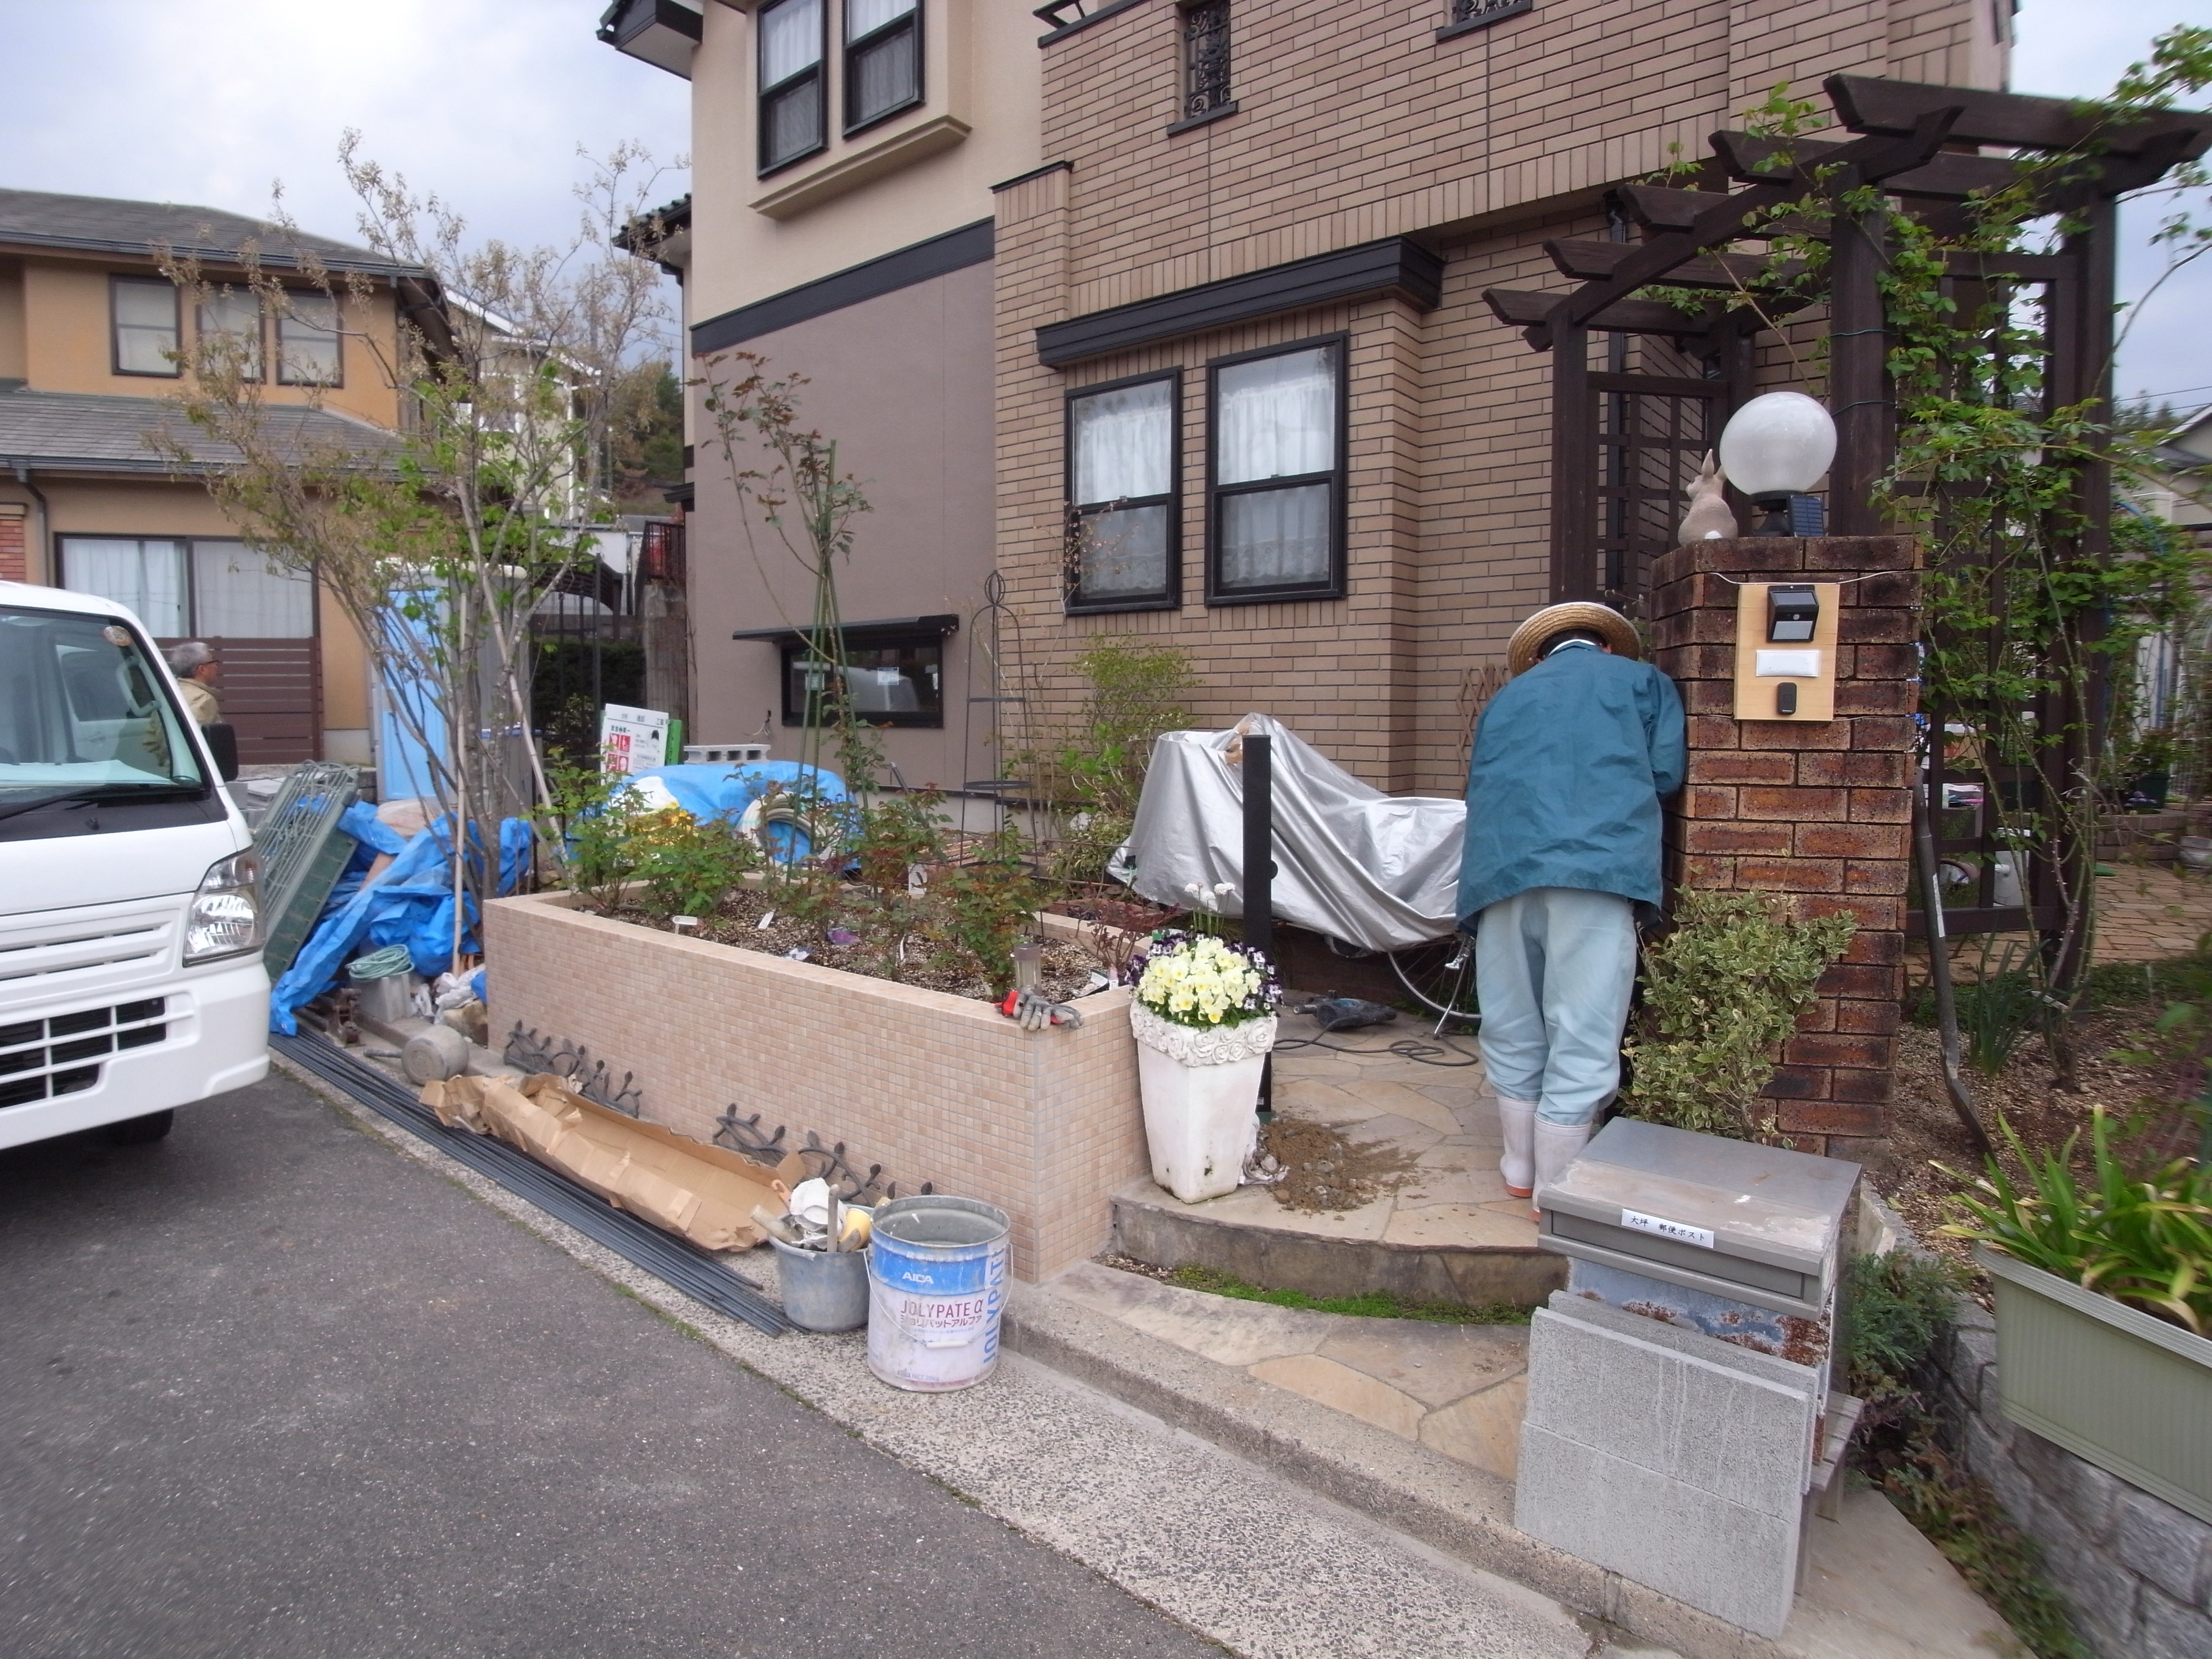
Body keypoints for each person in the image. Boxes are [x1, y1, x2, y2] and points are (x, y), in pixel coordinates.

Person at [1458, 602, 1686, 1209]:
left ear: (1538, 656)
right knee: (1582, 1025)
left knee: (1512, 1019)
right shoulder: (1642, 681)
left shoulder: (1508, 696)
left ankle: (1518, 1165)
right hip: (1596, 867)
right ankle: (1555, 1188)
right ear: (1606, 646)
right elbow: (1665, 774)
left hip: (1500, 872)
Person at [166, 640, 221, 726]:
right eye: (213, 662)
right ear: (202, 669)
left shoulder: (167, 696)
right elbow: (198, 732)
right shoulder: (203, 699)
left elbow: (151, 733)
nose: (216, 666)